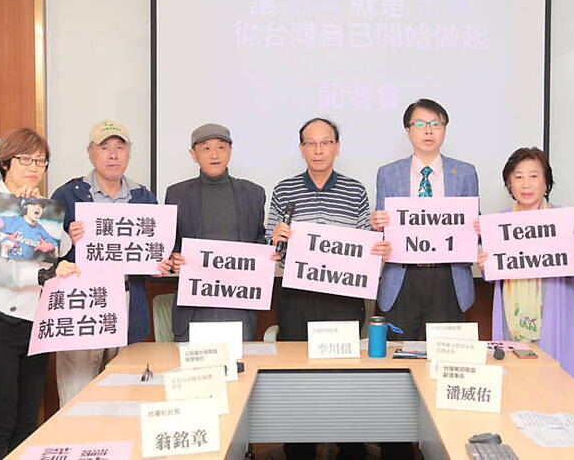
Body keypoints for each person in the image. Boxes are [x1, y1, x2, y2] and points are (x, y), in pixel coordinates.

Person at [267, 118, 390, 460]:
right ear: (301, 149)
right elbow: (270, 247)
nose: (318, 150)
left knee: (344, 376)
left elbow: (366, 241)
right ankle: (299, 448)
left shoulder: (355, 190)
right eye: (311, 143)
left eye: (325, 143)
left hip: (342, 298)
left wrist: (378, 246)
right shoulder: (284, 190)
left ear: (337, 146)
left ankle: (350, 447)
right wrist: (276, 240)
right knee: (296, 376)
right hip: (296, 297)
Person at [0, 128, 78, 459]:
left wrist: (69, 237)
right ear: (5, 162)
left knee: (27, 422)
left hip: (34, 324)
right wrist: (43, 272)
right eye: (26, 159)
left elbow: (50, 254)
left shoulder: (44, 208)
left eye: (41, 160)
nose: (35, 166)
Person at [51, 120, 158, 406]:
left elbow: (154, 255)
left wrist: (161, 261)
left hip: (126, 299)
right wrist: (68, 241)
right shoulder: (67, 195)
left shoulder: (144, 198)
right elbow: (47, 254)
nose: (113, 155)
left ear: (128, 154)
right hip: (83, 302)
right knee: (77, 393)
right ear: (90, 153)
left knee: (124, 390)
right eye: (104, 147)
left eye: (120, 148)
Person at [476, 147, 574, 390]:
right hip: (511, 312)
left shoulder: (564, 219)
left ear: (546, 181)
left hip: (555, 308)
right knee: (515, 380)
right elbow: (493, 273)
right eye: (518, 177)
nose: (525, 184)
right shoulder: (499, 221)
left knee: (557, 381)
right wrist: (485, 265)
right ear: (509, 183)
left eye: (533, 176)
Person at [370, 98, 479, 340]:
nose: (428, 130)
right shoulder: (388, 173)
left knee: (446, 357)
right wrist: (377, 225)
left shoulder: (465, 173)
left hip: (447, 277)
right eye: (419, 124)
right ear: (408, 130)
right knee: (397, 357)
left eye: (435, 123)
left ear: (444, 129)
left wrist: (478, 226)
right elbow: (382, 234)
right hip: (402, 276)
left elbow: (473, 227)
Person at [158, 123, 265, 342]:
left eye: (221, 147)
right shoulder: (177, 193)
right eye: (206, 148)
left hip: (239, 303)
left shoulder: (253, 194)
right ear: (193, 154)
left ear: (230, 151)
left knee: (239, 370)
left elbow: (259, 242)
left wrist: (267, 255)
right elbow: (169, 245)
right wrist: (173, 257)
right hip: (194, 305)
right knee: (194, 372)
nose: (214, 154)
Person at [0, 197, 58, 261]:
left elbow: (56, 252)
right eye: (33, 205)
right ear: (25, 207)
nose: (38, 208)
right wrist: (2, 236)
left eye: (40, 206)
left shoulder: (41, 230)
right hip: (3, 264)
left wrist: (52, 248)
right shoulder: (12, 221)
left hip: (23, 269)